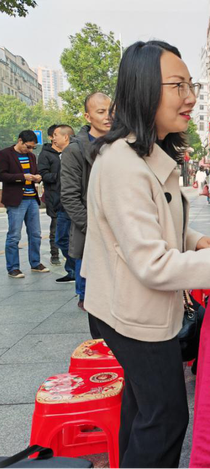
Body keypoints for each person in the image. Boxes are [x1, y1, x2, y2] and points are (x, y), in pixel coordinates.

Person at [83, 40, 210, 469]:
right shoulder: (122, 164)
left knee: (143, 409)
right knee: (165, 417)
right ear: (143, 89)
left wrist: (193, 241)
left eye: (192, 85)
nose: (190, 97)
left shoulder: (151, 151)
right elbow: (151, 263)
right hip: (133, 315)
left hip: (138, 306)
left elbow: (156, 224)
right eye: (177, 85)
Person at [61, 92, 111, 325]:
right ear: (87, 116)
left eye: (110, 111)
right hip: (90, 231)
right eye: (101, 112)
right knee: (94, 303)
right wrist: (92, 227)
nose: (108, 116)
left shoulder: (122, 145)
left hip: (120, 229)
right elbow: (70, 196)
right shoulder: (75, 150)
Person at [0, 130, 49, 278]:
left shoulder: (32, 156)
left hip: (32, 199)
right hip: (16, 200)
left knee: (35, 234)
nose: (30, 150)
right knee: (14, 235)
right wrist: (22, 177)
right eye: (28, 146)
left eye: (33, 147)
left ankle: (35, 263)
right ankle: (13, 267)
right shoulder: (5, 154)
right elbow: (2, 175)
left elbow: (35, 172)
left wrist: (38, 177)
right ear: (20, 140)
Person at [39, 125, 76, 283]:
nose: (53, 138)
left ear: (65, 137)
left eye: (55, 135)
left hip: (73, 203)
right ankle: (75, 268)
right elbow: (44, 174)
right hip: (59, 201)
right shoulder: (47, 154)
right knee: (61, 238)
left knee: (70, 239)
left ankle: (77, 269)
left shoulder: (74, 153)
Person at [39, 124, 61, 265]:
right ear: (51, 137)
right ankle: (55, 254)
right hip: (54, 196)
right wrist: (61, 176)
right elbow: (43, 175)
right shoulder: (45, 154)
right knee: (56, 226)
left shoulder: (70, 150)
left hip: (71, 195)